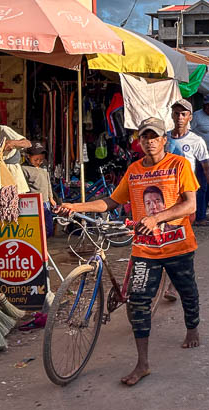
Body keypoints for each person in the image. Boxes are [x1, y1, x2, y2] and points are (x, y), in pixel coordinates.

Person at [56, 117, 200, 386]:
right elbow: (111, 201)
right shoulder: (133, 170)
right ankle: (142, 363)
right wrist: (76, 206)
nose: (149, 141)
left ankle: (192, 327)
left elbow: (190, 205)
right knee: (138, 303)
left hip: (178, 245)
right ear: (139, 141)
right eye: (144, 137)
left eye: (154, 136)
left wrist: (157, 218)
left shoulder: (179, 165)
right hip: (145, 249)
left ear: (164, 140)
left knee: (187, 290)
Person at [169, 99, 209, 227]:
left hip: (187, 192)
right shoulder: (163, 139)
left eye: (184, 114)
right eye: (176, 113)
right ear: (172, 115)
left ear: (190, 117)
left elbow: (207, 170)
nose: (180, 117)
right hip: (168, 191)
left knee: (185, 229)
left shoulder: (196, 141)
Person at [21, 142, 56, 236]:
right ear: (28, 156)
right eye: (36, 159)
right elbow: (23, 186)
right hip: (33, 202)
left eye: (41, 159)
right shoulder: (24, 169)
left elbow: (48, 182)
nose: (39, 162)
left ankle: (46, 242)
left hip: (46, 201)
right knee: (36, 225)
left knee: (48, 226)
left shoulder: (43, 167)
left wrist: (51, 197)